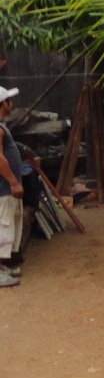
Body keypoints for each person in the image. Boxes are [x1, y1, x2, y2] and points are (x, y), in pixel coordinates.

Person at [0, 87, 24, 288]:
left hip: (5, 188)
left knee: (6, 227)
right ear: (2, 104)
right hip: (3, 188)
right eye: (9, 101)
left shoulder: (2, 125)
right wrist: (13, 182)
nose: (12, 104)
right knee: (3, 228)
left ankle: (2, 267)